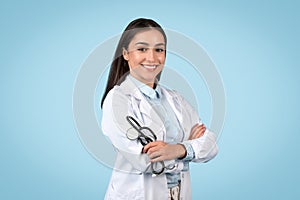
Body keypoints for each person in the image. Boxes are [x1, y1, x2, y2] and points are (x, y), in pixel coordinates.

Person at [101, 18, 218, 200]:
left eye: (159, 50)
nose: (152, 58)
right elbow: (145, 162)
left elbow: (210, 145)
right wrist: (190, 150)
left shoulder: (175, 99)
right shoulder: (118, 100)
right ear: (125, 53)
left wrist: (178, 149)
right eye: (142, 49)